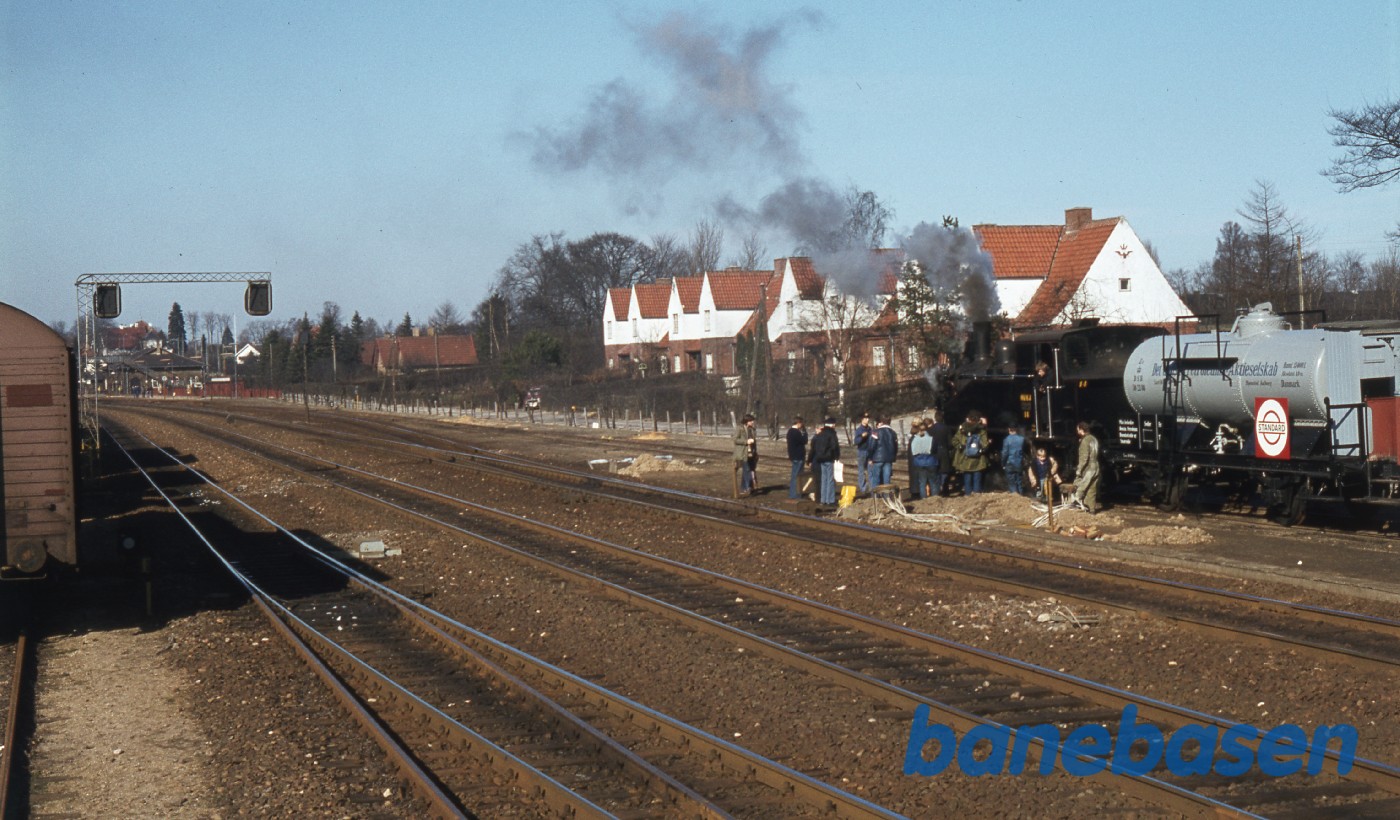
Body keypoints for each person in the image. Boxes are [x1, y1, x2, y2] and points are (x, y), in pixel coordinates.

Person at [951, 411, 990, 495]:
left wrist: (961, 447)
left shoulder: (962, 429)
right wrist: (981, 450)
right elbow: (985, 444)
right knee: (977, 477)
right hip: (978, 459)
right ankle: (976, 494)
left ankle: (968, 494)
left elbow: (954, 440)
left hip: (965, 457)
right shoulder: (981, 430)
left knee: (967, 477)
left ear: (968, 419)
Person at [809, 417, 841, 505]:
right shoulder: (832, 434)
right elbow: (834, 447)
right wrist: (836, 457)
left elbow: (815, 447)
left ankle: (823, 500)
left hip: (820, 459)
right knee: (830, 479)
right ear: (832, 424)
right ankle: (830, 500)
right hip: (829, 459)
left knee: (824, 479)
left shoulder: (820, 434)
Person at [1074, 421, 1101, 512]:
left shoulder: (1085, 441)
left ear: (1081, 430)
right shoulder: (1094, 439)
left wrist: (1079, 470)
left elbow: (1083, 458)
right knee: (1092, 490)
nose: (1077, 432)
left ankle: (1076, 505)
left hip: (1089, 468)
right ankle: (1091, 510)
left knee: (1081, 488)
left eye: (1078, 429)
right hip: (1096, 466)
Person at [928, 411, 952, 497]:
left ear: (935, 418)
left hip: (934, 451)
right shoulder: (946, 428)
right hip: (944, 450)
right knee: (944, 470)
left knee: (936, 470)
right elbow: (950, 443)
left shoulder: (930, 429)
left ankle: (936, 490)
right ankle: (945, 488)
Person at [909, 421, 936, 499]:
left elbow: (913, 452)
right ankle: (934, 498)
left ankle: (923, 498)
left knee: (922, 482)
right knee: (933, 482)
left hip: (919, 462)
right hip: (930, 461)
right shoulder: (931, 438)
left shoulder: (915, 439)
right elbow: (934, 449)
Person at [733, 413, 758, 496]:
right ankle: (748, 487)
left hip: (751, 453)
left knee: (747, 470)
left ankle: (743, 488)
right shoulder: (740, 429)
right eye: (751, 421)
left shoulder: (752, 430)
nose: (752, 422)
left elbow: (755, 442)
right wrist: (746, 442)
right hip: (743, 453)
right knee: (747, 469)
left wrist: (756, 452)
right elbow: (735, 440)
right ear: (746, 421)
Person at [870, 416, 899, 488]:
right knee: (887, 480)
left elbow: (872, 445)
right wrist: (893, 456)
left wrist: (870, 458)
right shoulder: (893, 433)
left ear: (881, 422)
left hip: (877, 458)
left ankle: (876, 496)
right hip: (889, 459)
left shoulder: (875, 432)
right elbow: (895, 447)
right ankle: (886, 496)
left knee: (876, 478)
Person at [1001, 424, 1028, 495]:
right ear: (1016, 430)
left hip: (1009, 463)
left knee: (1011, 482)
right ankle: (1021, 496)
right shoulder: (1021, 439)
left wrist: (1003, 464)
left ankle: (1014, 496)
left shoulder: (1006, 440)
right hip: (1018, 463)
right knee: (1019, 481)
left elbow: (1004, 453)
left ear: (1009, 429)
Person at [786, 415, 808, 500]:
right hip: (798, 456)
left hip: (793, 456)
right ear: (798, 423)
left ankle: (792, 494)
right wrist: (805, 432)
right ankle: (796, 494)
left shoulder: (790, 431)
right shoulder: (796, 432)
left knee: (794, 475)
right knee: (797, 476)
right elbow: (804, 440)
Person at [853, 411, 875, 493]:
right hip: (862, 451)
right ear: (862, 420)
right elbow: (856, 441)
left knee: (871, 471)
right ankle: (863, 488)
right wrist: (862, 437)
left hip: (869, 451)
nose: (867, 420)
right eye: (865, 418)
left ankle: (872, 488)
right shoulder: (859, 430)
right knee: (861, 471)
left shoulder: (870, 429)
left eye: (868, 418)